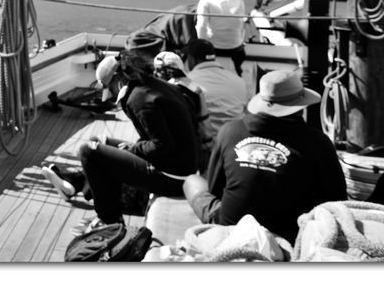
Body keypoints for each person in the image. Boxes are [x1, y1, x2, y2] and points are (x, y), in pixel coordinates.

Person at [182, 68, 347, 243]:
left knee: (192, 181)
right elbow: (337, 201)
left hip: (231, 230)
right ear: (301, 106)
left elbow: (215, 188)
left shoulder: (229, 131)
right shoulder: (319, 143)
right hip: (290, 238)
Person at [41, 50, 200, 227]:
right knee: (99, 141)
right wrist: (133, 149)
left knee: (88, 151)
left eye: (109, 88)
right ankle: (77, 184)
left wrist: (132, 149)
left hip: (172, 177)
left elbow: (162, 146)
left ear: (118, 80)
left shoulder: (139, 98)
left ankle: (109, 219)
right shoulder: (156, 86)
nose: (110, 93)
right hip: (183, 167)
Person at [184, 38, 248, 152]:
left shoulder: (187, 82)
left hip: (205, 149)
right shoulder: (239, 81)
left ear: (192, 59)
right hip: (235, 146)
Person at [195, 0, 256, 77]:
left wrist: (201, 47)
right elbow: (241, 25)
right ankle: (238, 72)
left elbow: (201, 26)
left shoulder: (206, 1)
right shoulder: (239, 0)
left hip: (215, 47)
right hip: (235, 46)